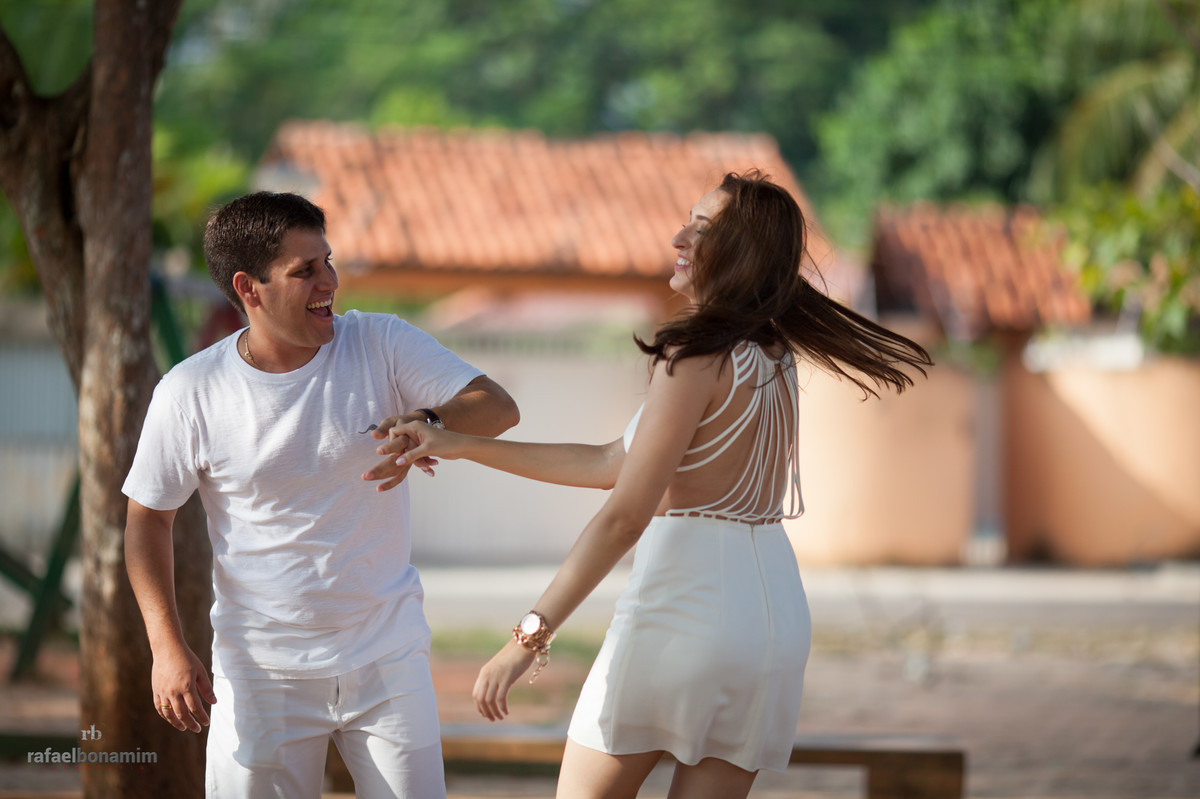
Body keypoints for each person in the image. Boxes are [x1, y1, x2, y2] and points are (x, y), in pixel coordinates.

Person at [371, 171, 932, 799]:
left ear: (741, 250)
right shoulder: (773, 355)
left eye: (702, 226)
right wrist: (458, 444)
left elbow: (623, 515)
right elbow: (614, 461)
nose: (678, 235)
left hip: (684, 607)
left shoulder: (694, 355)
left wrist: (527, 638)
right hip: (771, 616)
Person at [123, 191, 519, 799]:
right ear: (248, 288)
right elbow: (147, 520)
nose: (329, 281)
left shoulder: (380, 342)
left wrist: (430, 423)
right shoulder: (190, 392)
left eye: (328, 262)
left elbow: (497, 406)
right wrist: (166, 647)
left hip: (387, 655)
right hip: (259, 671)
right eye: (304, 270)